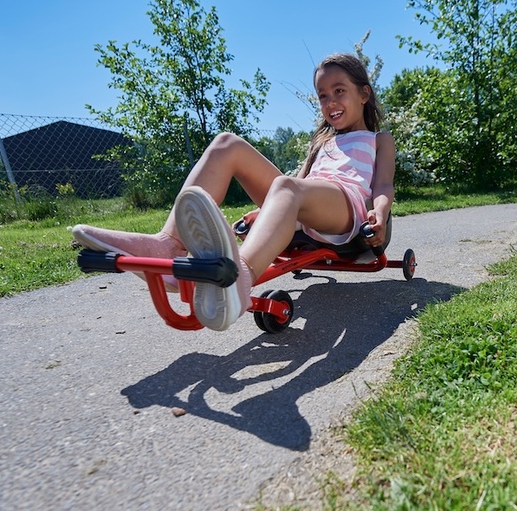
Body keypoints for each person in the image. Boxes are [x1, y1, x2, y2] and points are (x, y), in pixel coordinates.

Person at [71, 53, 396, 331]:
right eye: (322, 96)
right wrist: (269, 211)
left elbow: (382, 185)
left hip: (347, 209)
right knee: (227, 143)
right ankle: (167, 245)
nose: (330, 102)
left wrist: (379, 213)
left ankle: (238, 278)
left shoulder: (379, 140)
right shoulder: (321, 142)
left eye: (339, 91)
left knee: (286, 185)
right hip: (309, 204)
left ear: (364, 94)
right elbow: (301, 184)